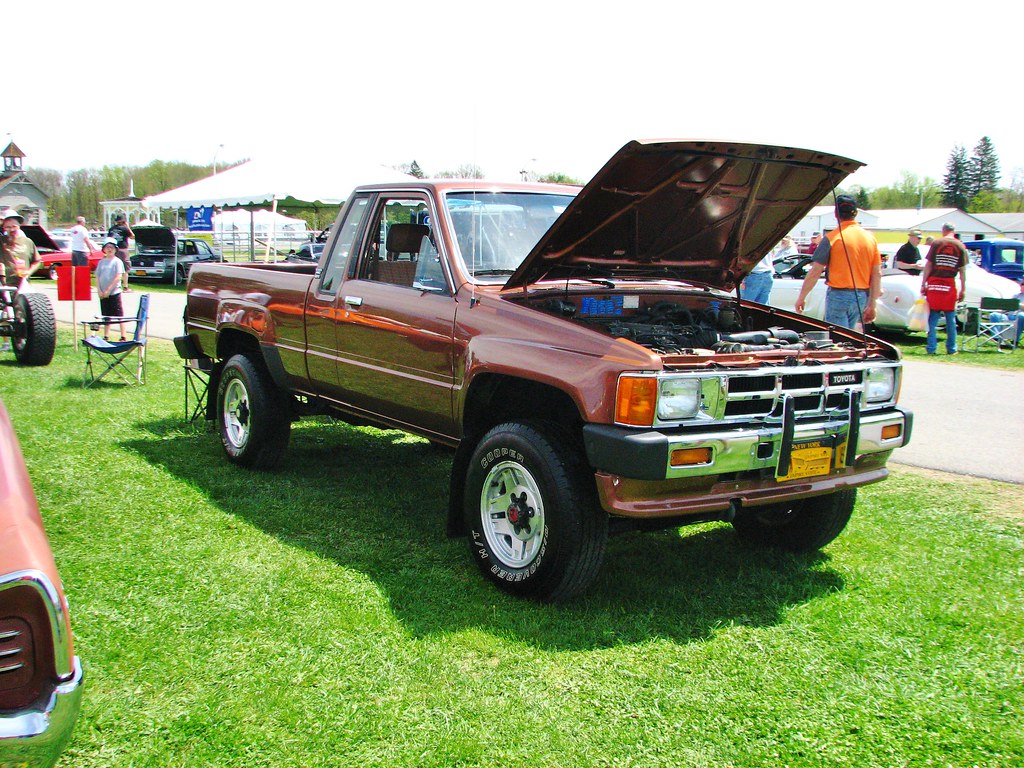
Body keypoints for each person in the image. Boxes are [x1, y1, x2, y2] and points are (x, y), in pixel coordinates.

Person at [794, 195, 881, 330]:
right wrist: (872, 304)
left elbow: (815, 271)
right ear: (856, 213)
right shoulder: (870, 238)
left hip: (839, 295)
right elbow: (877, 274)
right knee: (850, 336)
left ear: (836, 214)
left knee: (837, 338)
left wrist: (802, 297)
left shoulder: (831, 238)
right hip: (861, 296)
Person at [920, 222, 967, 355]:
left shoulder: (936, 243)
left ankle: (931, 348)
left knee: (933, 317)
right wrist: (963, 288)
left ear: (943, 230)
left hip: (934, 283)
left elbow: (929, 265)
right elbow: (963, 270)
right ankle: (952, 349)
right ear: (954, 231)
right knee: (950, 317)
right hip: (949, 283)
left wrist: (924, 283)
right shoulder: (960, 246)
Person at [0, 208, 42, 289]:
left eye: (14, 226)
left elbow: (37, 261)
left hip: (23, 284)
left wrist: (29, 272)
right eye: (8, 227)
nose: (12, 229)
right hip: (4, 285)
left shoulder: (28, 242)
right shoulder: (1, 241)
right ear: (4, 228)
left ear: (19, 226)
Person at [95, 237, 127, 340]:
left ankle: (123, 335)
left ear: (115, 249)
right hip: (103, 293)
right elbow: (98, 277)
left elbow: (118, 277)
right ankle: (106, 335)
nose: (109, 249)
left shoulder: (117, 262)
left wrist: (109, 290)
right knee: (106, 316)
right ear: (104, 249)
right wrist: (99, 290)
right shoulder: (101, 262)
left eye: (112, 247)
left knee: (119, 315)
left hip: (114, 292)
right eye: (107, 247)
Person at [107, 214, 133, 291]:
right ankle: (125, 287)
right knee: (125, 269)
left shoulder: (111, 229)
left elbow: (109, 239)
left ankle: (113, 286)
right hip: (122, 249)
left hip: (113, 250)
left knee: (114, 268)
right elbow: (132, 236)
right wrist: (128, 226)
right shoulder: (124, 229)